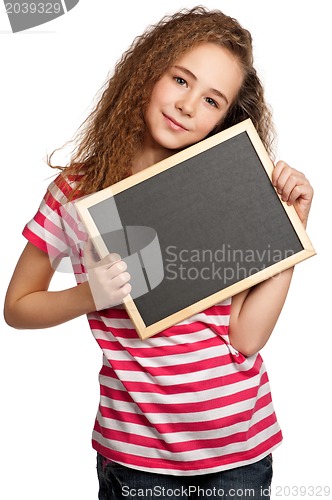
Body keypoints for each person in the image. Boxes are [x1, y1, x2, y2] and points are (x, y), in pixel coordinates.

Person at [4, 6, 313, 500]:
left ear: (224, 118)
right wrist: (90, 294)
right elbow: (17, 306)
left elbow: (247, 337)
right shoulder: (78, 191)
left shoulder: (224, 187)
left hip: (240, 450)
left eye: (212, 100)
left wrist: (289, 228)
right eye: (180, 80)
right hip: (136, 456)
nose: (188, 105)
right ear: (149, 72)